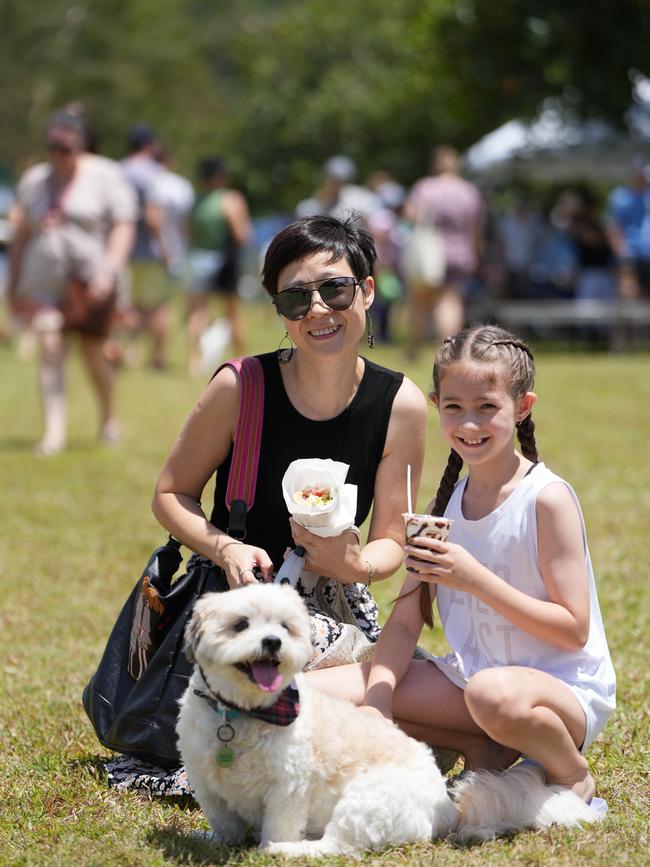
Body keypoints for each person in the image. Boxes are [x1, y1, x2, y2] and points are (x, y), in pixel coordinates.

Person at [104, 214, 427, 795]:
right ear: (278, 310)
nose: (318, 311)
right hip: (241, 598)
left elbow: (391, 541)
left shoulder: (399, 403)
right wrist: (225, 545)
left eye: (334, 289)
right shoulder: (241, 387)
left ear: (368, 289)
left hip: (336, 603)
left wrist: (352, 566)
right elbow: (171, 492)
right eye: (295, 298)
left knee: (420, 699)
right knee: (384, 706)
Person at [310, 324, 616, 804]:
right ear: (437, 406)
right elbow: (407, 620)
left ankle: (570, 771)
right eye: (454, 408)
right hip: (471, 680)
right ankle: (478, 742)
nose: (469, 425)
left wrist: (473, 578)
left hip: (560, 692)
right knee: (307, 696)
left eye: (487, 408)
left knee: (492, 695)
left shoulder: (546, 499)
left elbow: (574, 631)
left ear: (523, 407)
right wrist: (378, 700)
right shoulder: (445, 505)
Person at [7, 105, 135, 455]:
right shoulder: (35, 181)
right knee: (49, 347)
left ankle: (108, 417)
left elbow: (123, 225)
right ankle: (54, 433)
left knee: (93, 355)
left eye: (66, 149)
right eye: (53, 147)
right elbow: (20, 235)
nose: (59, 155)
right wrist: (14, 285)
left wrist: (110, 271)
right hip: (45, 280)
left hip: (90, 281)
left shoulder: (105, 175)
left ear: (81, 146)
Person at [403, 146, 484, 355]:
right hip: (460, 253)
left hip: (429, 254)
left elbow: (411, 215)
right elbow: (475, 227)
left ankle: (414, 348)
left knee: (419, 300)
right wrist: (476, 252)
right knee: (450, 300)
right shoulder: (468, 191)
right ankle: (448, 350)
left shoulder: (425, 187)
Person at [186, 157, 252, 374]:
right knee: (232, 311)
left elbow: (189, 232)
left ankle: (194, 359)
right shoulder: (230, 199)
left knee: (197, 310)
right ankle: (241, 359)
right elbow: (240, 234)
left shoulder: (197, 201)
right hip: (224, 259)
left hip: (198, 257)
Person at [121, 123, 171, 369]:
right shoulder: (152, 173)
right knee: (157, 306)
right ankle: (157, 357)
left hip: (124, 250)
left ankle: (129, 352)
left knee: (129, 305)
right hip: (149, 252)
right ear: (149, 144)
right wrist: (164, 246)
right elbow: (152, 216)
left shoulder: (119, 169)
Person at [605, 157, 650, 299]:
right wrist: (622, 254)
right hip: (629, 255)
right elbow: (613, 227)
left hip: (647, 255)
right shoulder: (620, 196)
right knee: (628, 295)